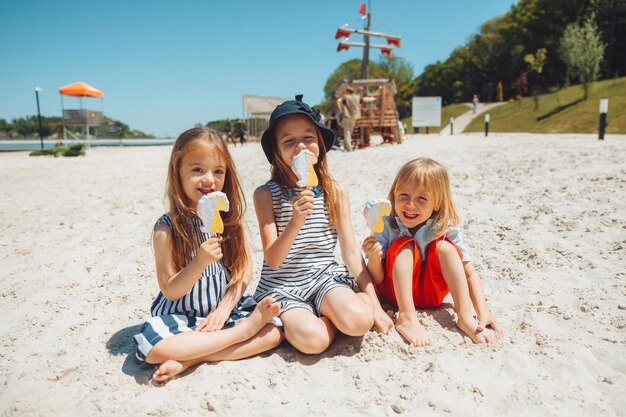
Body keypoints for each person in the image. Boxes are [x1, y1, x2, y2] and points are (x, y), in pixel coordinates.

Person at [133, 127, 282, 382]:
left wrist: (225, 309)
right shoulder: (166, 229)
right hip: (181, 316)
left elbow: (243, 268)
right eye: (197, 170)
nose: (209, 179)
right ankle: (240, 334)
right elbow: (170, 290)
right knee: (154, 349)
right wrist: (198, 262)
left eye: (218, 171)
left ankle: (193, 358)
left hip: (221, 311)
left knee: (275, 333)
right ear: (177, 172)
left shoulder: (228, 219)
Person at [253, 95, 393, 354]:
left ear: (320, 144)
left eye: (308, 138)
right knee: (312, 342)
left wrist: (374, 305)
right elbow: (272, 259)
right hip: (284, 284)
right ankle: (323, 320)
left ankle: (347, 305)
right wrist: (295, 223)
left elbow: (351, 252)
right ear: (276, 151)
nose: (301, 147)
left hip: (325, 277)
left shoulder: (335, 192)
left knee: (360, 321)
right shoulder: (265, 195)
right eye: (289, 141)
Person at [362, 157, 503, 347]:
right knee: (405, 245)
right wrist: (373, 256)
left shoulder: (445, 229)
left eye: (421, 198)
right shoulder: (387, 224)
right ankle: (407, 317)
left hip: (430, 295)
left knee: (444, 247)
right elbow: (377, 278)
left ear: (437, 203)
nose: (410, 205)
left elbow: (469, 273)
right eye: (403, 195)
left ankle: (464, 316)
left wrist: (482, 310)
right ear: (394, 195)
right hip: (394, 293)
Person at [336, 87, 361, 152]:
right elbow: (364, 99)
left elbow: (338, 101)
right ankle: (345, 147)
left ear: (347, 91)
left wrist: (341, 111)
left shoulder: (345, 97)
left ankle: (349, 148)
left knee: (347, 132)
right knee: (350, 132)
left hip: (346, 116)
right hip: (354, 116)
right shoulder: (357, 97)